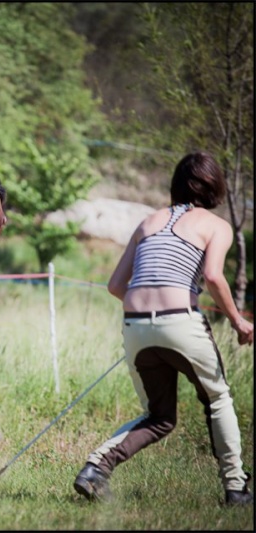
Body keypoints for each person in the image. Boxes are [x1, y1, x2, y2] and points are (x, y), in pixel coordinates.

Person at [73, 151, 254, 506]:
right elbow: (215, 276)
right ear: (215, 186)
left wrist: (150, 319)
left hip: (135, 327)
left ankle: (96, 467)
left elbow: (114, 286)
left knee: (158, 416)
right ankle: (236, 489)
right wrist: (238, 320)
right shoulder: (216, 226)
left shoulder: (148, 221)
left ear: (175, 185)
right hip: (181, 321)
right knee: (217, 399)